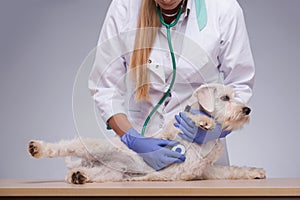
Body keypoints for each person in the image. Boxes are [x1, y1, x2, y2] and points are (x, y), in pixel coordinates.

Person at [89, 0, 255, 171]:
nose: (167, 1)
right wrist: (133, 139)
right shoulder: (125, 7)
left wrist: (216, 130)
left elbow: (239, 83)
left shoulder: (223, 8)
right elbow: (105, 87)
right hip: (140, 158)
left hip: (202, 156)